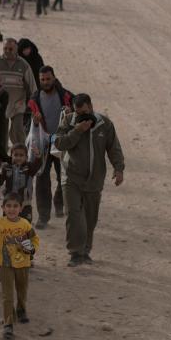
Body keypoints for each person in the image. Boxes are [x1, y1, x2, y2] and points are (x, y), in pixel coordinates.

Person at [53, 94, 125, 267]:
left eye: (85, 112)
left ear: (91, 107)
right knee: (74, 215)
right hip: (71, 177)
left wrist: (119, 168)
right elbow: (59, 143)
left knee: (90, 218)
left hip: (95, 180)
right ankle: (75, 252)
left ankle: (85, 251)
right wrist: (77, 130)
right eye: (78, 113)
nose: (82, 116)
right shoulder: (69, 121)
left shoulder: (104, 125)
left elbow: (114, 148)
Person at [0, 192, 39, 340]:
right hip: (5, 264)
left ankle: (21, 310)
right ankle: (8, 323)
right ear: (3, 208)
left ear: (21, 207)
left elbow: (34, 240)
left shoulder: (25, 224)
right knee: (7, 294)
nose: (12, 209)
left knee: (22, 289)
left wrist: (31, 249)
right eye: (8, 206)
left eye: (15, 206)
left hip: (23, 263)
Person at [27, 66, 72, 228]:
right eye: (43, 80)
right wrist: (35, 122)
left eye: (48, 78)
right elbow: (28, 127)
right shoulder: (34, 100)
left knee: (64, 178)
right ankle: (44, 216)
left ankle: (59, 203)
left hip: (62, 144)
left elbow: (79, 116)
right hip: (44, 146)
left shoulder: (66, 96)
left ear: (54, 78)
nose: (46, 82)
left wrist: (70, 114)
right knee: (42, 179)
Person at [0, 39, 38, 148]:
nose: (7, 51)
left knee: (18, 130)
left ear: (16, 49)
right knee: (2, 133)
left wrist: (34, 105)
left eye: (10, 49)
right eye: (5, 48)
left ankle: (21, 153)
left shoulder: (24, 65)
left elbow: (33, 87)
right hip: (0, 105)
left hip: (18, 104)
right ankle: (4, 157)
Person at [0, 143, 41, 222]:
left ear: (26, 157)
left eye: (21, 155)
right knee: (8, 224)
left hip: (24, 203)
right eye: (16, 155)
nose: (18, 157)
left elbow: (37, 166)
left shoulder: (29, 168)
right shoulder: (6, 167)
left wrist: (37, 156)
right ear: (11, 156)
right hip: (9, 202)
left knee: (25, 225)